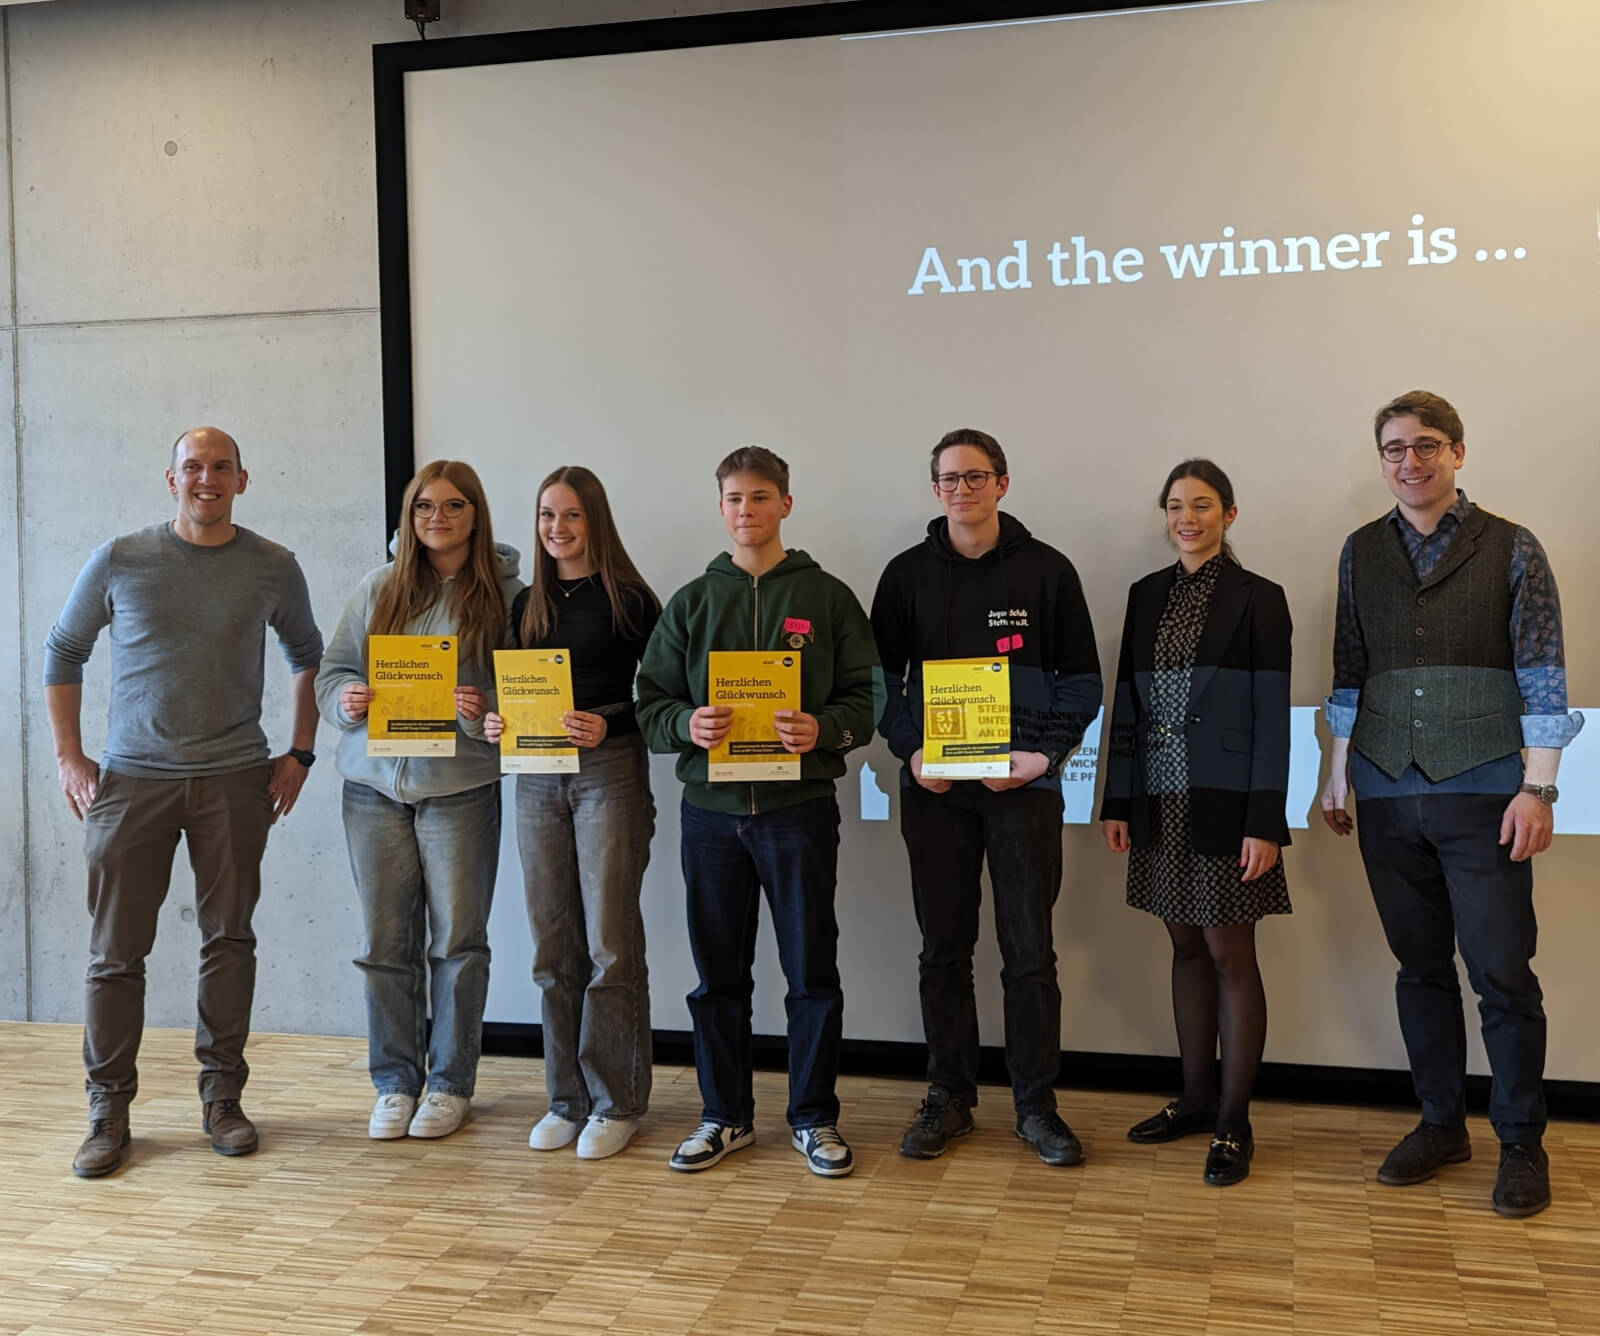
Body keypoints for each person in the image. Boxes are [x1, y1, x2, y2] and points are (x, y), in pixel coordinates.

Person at [1318, 390, 1583, 1218]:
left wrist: (1538, 788)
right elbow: (1349, 670)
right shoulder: (1360, 551)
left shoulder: (1512, 545)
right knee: (1420, 967)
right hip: (1384, 787)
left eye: (1427, 445)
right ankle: (1440, 1123)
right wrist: (1335, 772)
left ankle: (1521, 1141)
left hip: (1486, 789)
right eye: (1394, 449)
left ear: (1458, 453)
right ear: (1382, 460)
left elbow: (1543, 674)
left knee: (1502, 972)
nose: (1411, 461)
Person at [43, 426, 323, 1178]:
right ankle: (107, 1113)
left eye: (221, 467)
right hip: (132, 782)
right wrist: (70, 756)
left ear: (242, 480)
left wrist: (299, 752)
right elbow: (63, 649)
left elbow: (308, 655)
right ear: (171, 480)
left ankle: (223, 1100)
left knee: (229, 940)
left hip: (235, 779)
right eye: (192, 467)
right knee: (114, 956)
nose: (207, 478)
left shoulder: (273, 566)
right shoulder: (120, 558)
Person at [636, 447, 881, 1177]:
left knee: (811, 972)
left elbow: (870, 696)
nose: (748, 510)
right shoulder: (691, 602)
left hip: (797, 809)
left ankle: (813, 1118)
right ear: (721, 508)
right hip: (710, 817)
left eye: (761, 497)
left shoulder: (828, 597)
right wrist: (687, 725)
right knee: (717, 978)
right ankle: (724, 1116)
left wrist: (823, 729)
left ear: (786, 505)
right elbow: (650, 705)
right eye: (735, 498)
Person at [870, 427, 1101, 1168]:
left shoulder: (1048, 571)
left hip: (1023, 790)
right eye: (949, 479)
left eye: (975, 477)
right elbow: (878, 682)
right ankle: (949, 1096)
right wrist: (913, 751)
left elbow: (1083, 682)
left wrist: (1042, 756)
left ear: (1002, 483)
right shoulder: (905, 575)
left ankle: (1036, 1106)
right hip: (935, 791)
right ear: (934, 489)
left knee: (1029, 953)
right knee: (943, 949)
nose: (961, 490)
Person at [314, 460, 521, 1142]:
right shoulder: (379, 587)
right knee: (384, 944)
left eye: (454, 505)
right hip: (372, 789)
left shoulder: (509, 597)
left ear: (475, 514)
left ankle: (450, 1084)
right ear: (410, 514)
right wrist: (345, 702)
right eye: (425, 505)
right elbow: (333, 672)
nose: (438, 517)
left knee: (458, 943)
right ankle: (394, 1083)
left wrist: (481, 709)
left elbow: (522, 695)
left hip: (460, 789)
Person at [1100, 459, 1292, 1186]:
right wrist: (1118, 802)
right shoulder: (1145, 594)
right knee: (1183, 947)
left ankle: (1234, 1122)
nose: (1187, 518)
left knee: (1228, 952)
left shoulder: (1259, 598)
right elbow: (1127, 701)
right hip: (1159, 799)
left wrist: (1264, 820)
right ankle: (1194, 1099)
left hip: (1227, 802)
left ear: (1229, 515)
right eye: (1176, 505)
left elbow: (1272, 718)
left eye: (1203, 505)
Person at [482, 467, 660, 1160]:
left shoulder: (631, 599)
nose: (557, 528)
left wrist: (609, 721)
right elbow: (507, 689)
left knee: (610, 943)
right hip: (535, 780)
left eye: (572, 516)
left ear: (596, 522)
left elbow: (664, 699)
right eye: (547, 515)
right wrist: (495, 722)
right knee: (553, 948)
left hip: (608, 774)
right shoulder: (525, 603)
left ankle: (618, 1101)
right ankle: (566, 1098)